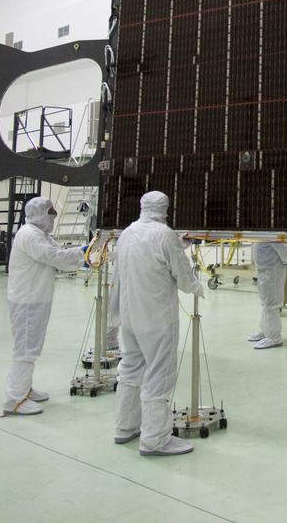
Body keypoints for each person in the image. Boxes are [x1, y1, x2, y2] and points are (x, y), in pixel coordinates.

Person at [112, 190, 204, 456]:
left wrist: (178, 242)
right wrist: (197, 287)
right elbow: (181, 273)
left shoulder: (128, 232)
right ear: (164, 207)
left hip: (129, 317)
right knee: (158, 375)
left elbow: (151, 250)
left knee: (130, 371)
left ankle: (125, 427)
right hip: (155, 319)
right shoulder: (164, 235)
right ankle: (155, 440)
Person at [2, 197, 86, 416]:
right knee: (26, 348)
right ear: (39, 214)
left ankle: (24, 389)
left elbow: (56, 252)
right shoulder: (30, 235)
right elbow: (54, 257)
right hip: (27, 301)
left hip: (35, 298)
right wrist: (83, 254)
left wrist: (81, 253)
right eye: (50, 214)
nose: (53, 218)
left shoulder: (40, 235)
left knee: (31, 345)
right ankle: (15, 400)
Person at [249, 239, 287, 349]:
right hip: (264, 269)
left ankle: (274, 338)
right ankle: (265, 331)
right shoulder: (262, 227)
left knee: (271, 303)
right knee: (265, 301)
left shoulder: (272, 228)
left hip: (272, 269)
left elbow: (280, 244)